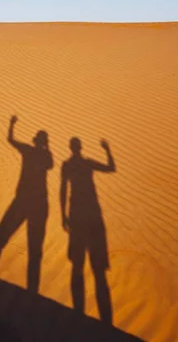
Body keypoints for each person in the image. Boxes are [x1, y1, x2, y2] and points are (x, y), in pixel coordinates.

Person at [0, 115, 53, 293]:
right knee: (9, 241)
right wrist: (11, 125)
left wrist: (12, 125)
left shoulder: (37, 154)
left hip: (31, 203)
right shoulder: (38, 153)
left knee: (31, 249)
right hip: (28, 202)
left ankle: (30, 291)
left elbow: (48, 164)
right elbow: (11, 140)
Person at [60, 137, 115, 324]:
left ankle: (80, 314)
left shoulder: (67, 165)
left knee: (79, 265)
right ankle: (104, 320)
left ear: (71, 147)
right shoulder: (86, 163)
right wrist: (107, 150)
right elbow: (111, 167)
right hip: (90, 217)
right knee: (96, 269)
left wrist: (63, 215)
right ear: (80, 147)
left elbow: (62, 190)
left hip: (80, 217)